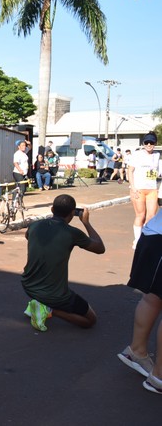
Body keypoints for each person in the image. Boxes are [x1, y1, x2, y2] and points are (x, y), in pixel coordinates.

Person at [22, 194, 105, 332]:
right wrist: (86, 222)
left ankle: (39, 304)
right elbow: (100, 248)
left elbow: (27, 236)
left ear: (52, 209)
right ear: (73, 213)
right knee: (90, 320)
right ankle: (48, 309)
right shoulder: (72, 233)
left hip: (28, 286)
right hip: (55, 295)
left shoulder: (34, 225)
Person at [117, 208, 162, 394]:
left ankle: (137, 351)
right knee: (153, 298)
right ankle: (159, 376)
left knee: (152, 298)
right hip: (157, 239)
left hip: (154, 235)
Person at [127, 132, 161, 249]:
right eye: (147, 142)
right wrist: (133, 187)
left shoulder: (157, 155)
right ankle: (137, 240)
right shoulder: (137, 154)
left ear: (155, 143)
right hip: (139, 189)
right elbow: (130, 171)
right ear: (143, 143)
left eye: (151, 142)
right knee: (140, 215)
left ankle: (145, 238)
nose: (149, 144)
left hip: (152, 189)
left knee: (151, 216)